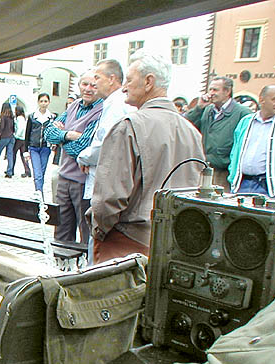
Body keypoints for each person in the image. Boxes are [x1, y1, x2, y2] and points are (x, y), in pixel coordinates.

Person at [88, 50, 204, 264]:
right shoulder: (191, 132)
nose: (124, 87)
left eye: (129, 80)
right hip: (172, 242)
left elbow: (108, 199)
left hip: (127, 243)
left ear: (149, 81)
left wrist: (100, 230)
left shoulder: (129, 127)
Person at [76, 59, 132, 255]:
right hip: (104, 177)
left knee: (97, 242)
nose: (94, 82)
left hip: (104, 182)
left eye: (97, 77)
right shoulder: (113, 103)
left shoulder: (116, 104)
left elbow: (105, 143)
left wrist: (84, 158)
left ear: (112, 79)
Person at [44, 71, 103, 244]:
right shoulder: (74, 105)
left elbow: (83, 147)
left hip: (83, 182)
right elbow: (48, 132)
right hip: (64, 176)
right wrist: (69, 135)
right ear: (79, 85)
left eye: (93, 85)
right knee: (61, 230)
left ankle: (85, 269)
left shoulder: (100, 111)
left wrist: (61, 137)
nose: (89, 89)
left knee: (86, 232)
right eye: (85, 84)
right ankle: (62, 267)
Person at [228, 85, 275, 198]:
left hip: (269, 188)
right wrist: (232, 175)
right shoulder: (246, 121)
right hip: (241, 184)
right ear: (261, 100)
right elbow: (235, 153)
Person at [184, 76, 252, 191]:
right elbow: (186, 126)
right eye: (210, 90)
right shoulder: (206, 110)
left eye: (215, 90)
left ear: (227, 91)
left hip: (225, 174)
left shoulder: (242, 113)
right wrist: (199, 108)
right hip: (205, 168)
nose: (211, 93)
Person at [23, 93, 56, 196]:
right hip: (34, 147)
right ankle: (39, 193)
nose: (43, 103)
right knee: (37, 173)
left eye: (45, 101)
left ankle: (39, 192)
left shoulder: (52, 117)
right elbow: (27, 133)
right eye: (41, 101)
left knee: (42, 172)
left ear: (49, 102)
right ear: (38, 102)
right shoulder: (32, 117)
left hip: (46, 148)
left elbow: (54, 132)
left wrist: (54, 143)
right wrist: (25, 150)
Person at [11, 105, 31, 178]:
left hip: (19, 138)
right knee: (23, 155)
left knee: (13, 154)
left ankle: (11, 169)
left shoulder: (19, 118)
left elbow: (21, 128)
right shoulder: (24, 118)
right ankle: (27, 170)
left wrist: (16, 135)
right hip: (24, 139)